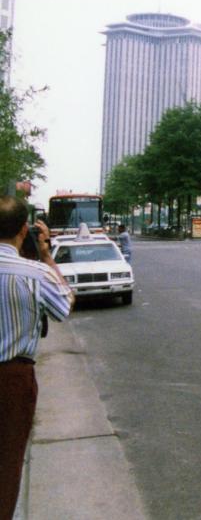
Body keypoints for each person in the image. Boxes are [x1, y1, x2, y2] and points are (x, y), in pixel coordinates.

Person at [0, 196, 74, 519]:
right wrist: (46, 256)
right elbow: (63, 306)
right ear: (24, 229)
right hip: (13, 380)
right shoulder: (34, 273)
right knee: (8, 462)